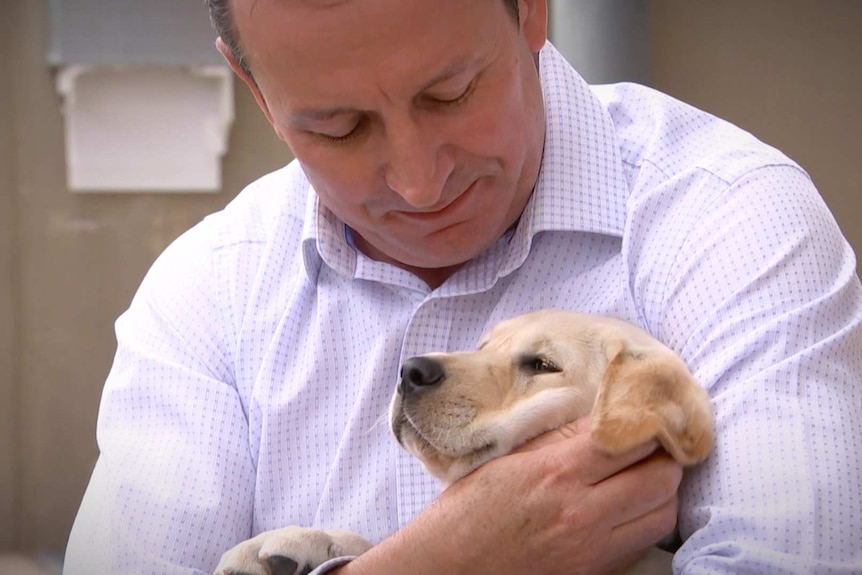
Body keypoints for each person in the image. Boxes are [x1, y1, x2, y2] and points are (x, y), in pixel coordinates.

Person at [64, 0, 862, 573]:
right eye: (338, 127)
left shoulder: (732, 218)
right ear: (254, 86)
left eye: (450, 93)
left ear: (532, 12)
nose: (417, 182)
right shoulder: (209, 290)